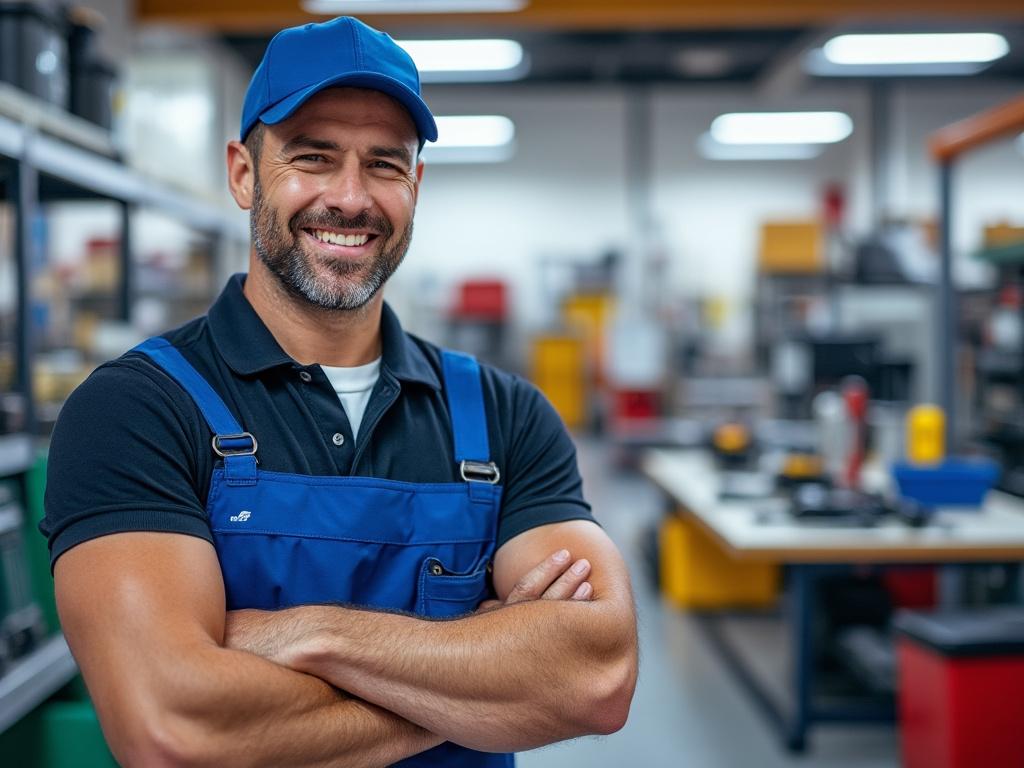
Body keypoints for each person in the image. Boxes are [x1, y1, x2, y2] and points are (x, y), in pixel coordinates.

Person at [41, 15, 637, 767]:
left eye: (385, 164)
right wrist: (484, 690)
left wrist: (308, 633)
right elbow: (174, 728)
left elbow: (596, 677)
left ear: (415, 186)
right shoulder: (136, 410)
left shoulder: (503, 415)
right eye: (313, 156)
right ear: (243, 174)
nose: (351, 198)